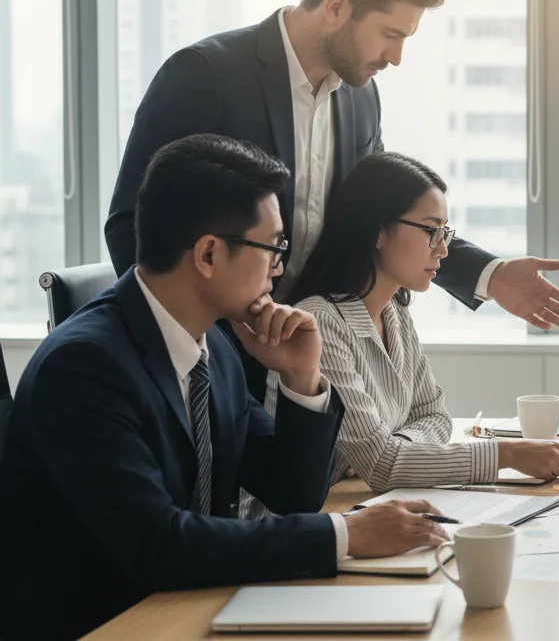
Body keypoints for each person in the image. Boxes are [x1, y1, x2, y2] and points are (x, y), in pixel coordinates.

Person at [106, 0, 559, 402]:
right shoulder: (205, 75)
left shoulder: (361, 97)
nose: (396, 57)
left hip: (313, 359)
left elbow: (383, 212)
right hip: (216, 361)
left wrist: (489, 275)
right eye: (390, 34)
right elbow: (132, 224)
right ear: (336, 6)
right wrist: (203, 348)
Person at [0, 135, 451, 640]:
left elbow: (293, 493)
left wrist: (302, 378)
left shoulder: (213, 345)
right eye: (273, 248)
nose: (279, 269)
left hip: (193, 602)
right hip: (107, 623)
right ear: (209, 254)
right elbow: (158, 544)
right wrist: (344, 533)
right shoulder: (84, 367)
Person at [242, 152, 559, 519]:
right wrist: (507, 454)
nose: (443, 249)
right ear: (378, 231)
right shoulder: (320, 321)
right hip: (298, 528)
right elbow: (382, 466)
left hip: (352, 507)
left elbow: (436, 417)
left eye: (445, 232)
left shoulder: (395, 311)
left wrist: (398, 448)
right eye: (431, 231)